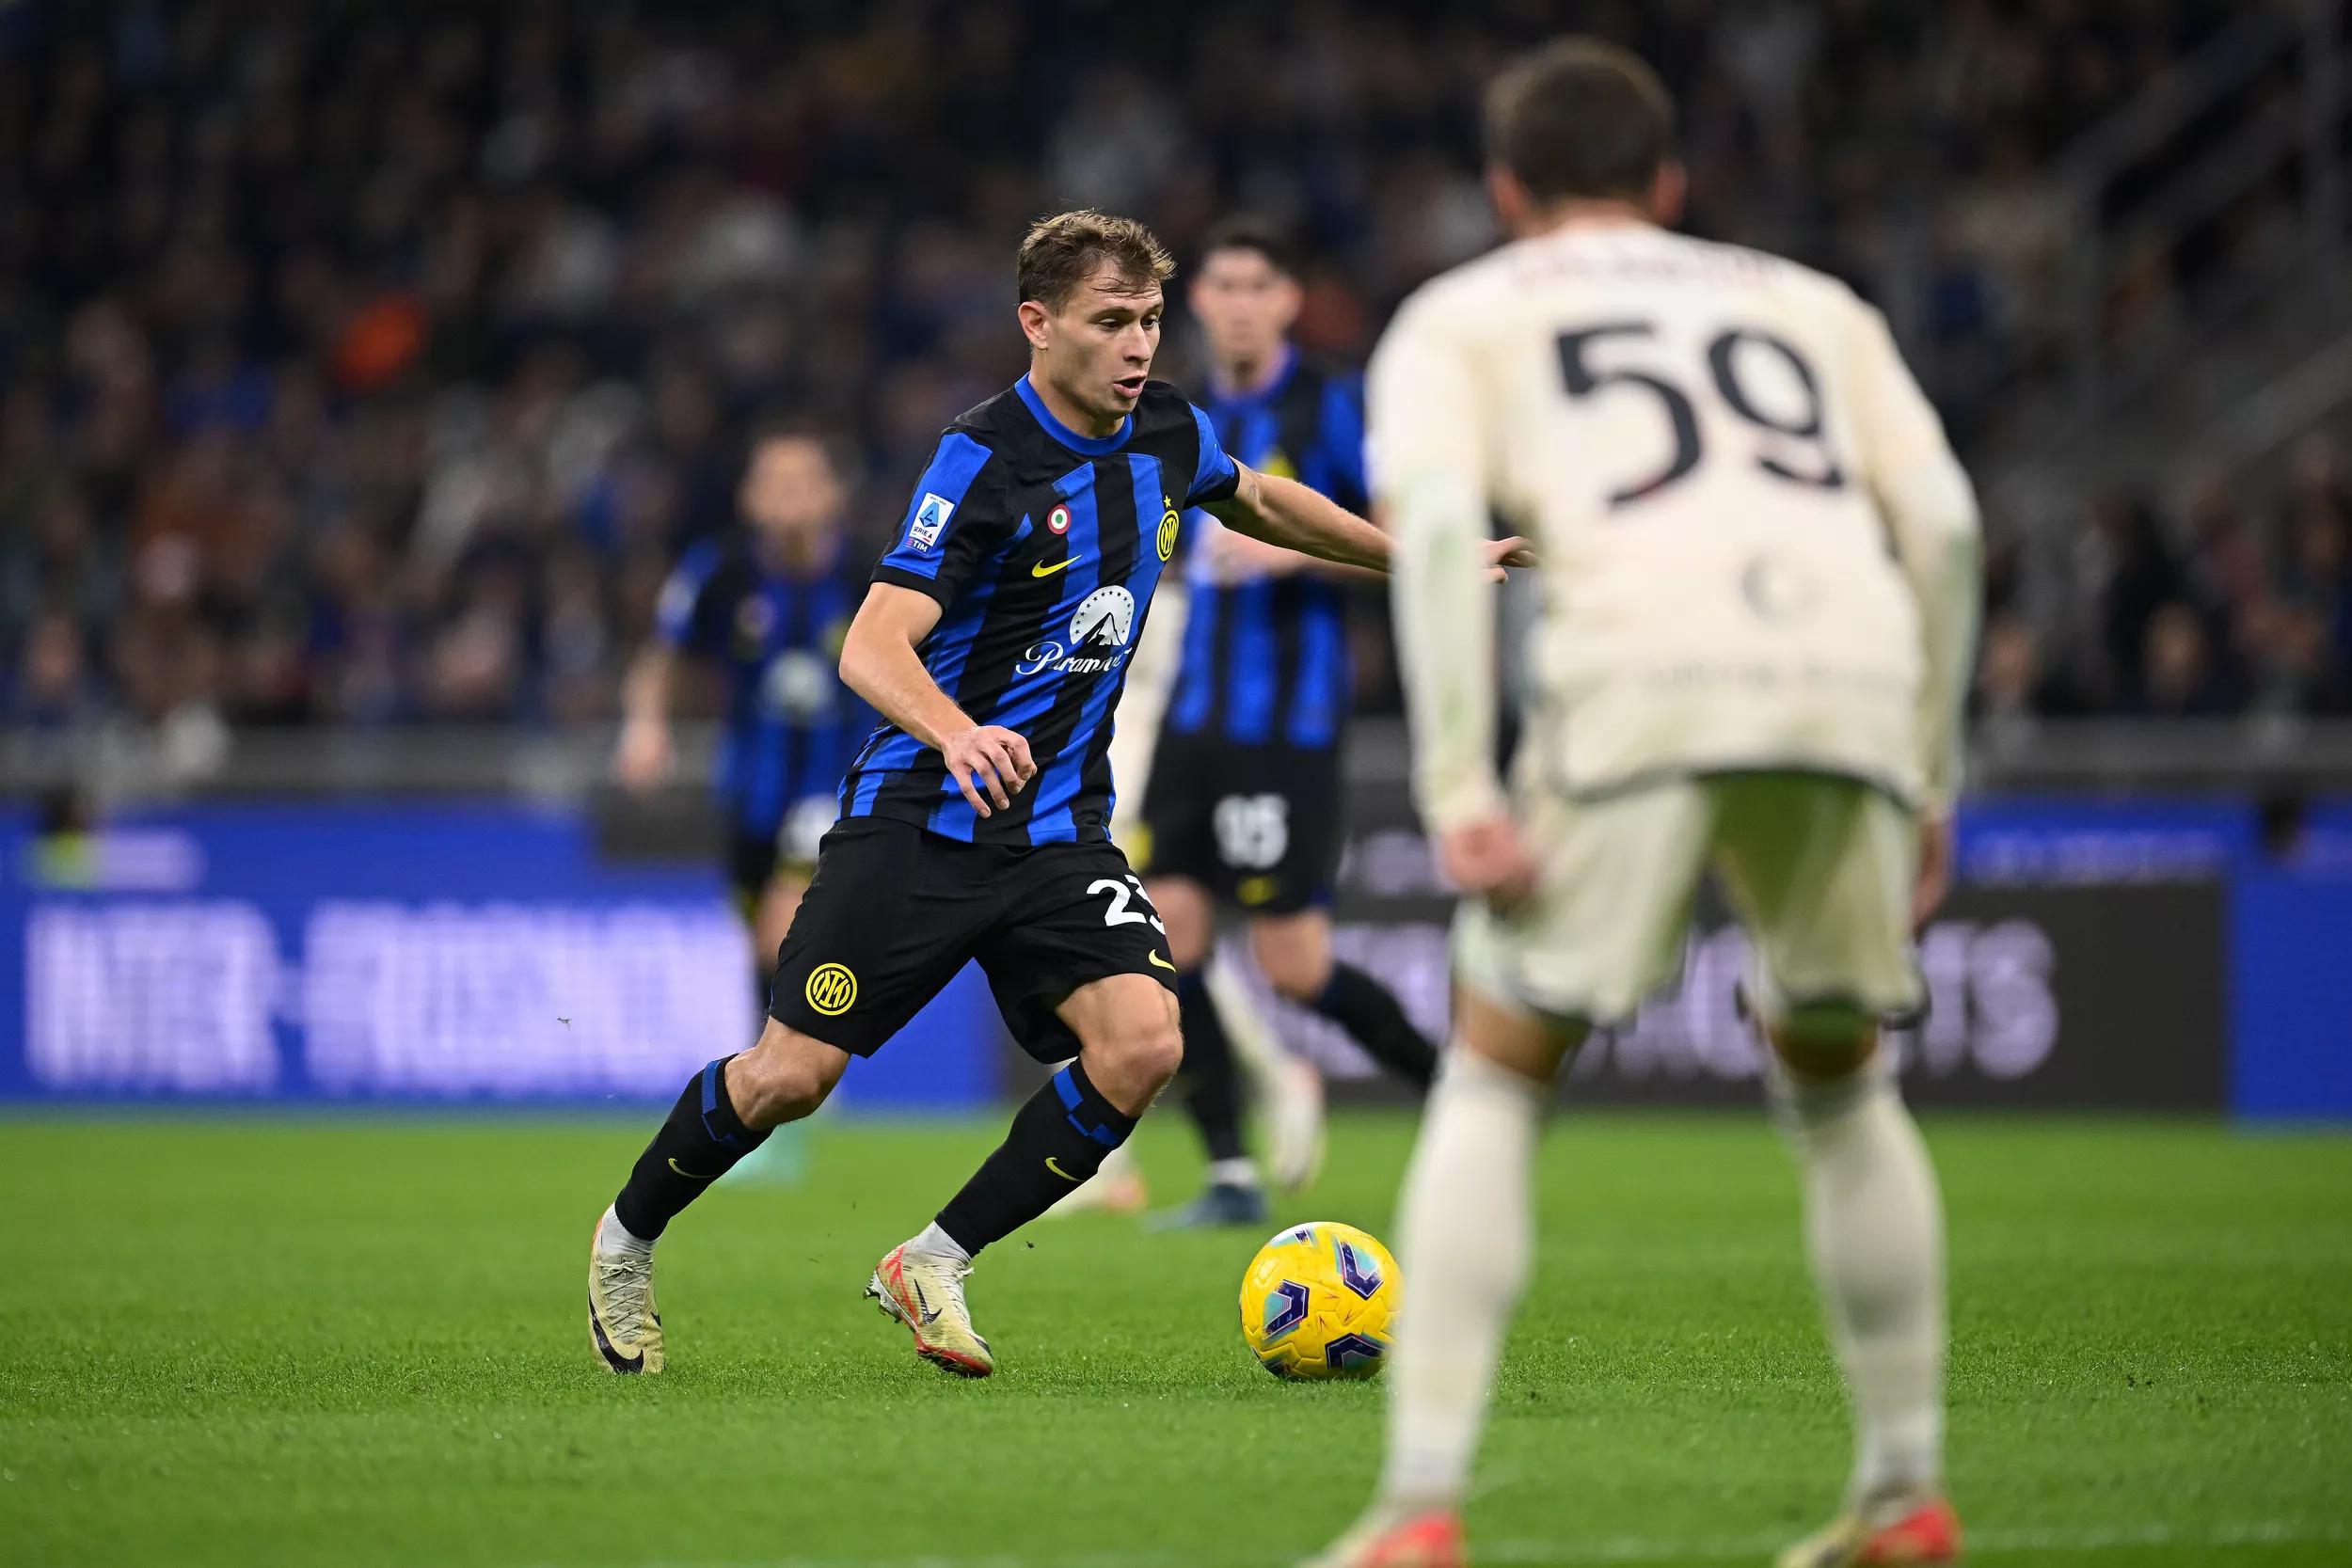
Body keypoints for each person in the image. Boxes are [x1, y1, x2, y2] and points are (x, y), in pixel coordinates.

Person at [585, 208, 1530, 1380]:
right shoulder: (980, 459)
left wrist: (1423, 556)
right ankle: (625, 1238)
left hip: (1054, 831)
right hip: (920, 819)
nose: (1138, 345)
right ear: (1037, 324)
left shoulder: (1168, 428)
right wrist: (956, 729)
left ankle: (932, 1259)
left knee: (1142, 1041)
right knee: (792, 1074)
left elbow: (1264, 499)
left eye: (1150, 319)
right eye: (1110, 321)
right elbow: (872, 645)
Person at [1311, 39, 1979, 1568]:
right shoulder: (1812, 303)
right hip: (1850, 676)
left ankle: (1419, 1508)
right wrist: (1932, 770)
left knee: (1499, 1069)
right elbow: (1943, 524)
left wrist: (1459, 780)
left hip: (1640, 678)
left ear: (1505, 190)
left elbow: (1434, 539)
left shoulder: (1462, 317)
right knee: (1842, 1082)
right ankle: (1906, 1487)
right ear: (1669, 182)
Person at [1138, 216, 1442, 1229]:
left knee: (1293, 965)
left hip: (1290, 726)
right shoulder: (1176, 412)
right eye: (1219, 286)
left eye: (1254, 286)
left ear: (1286, 302)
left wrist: (1285, 549)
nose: (1235, 304)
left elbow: (1397, 539)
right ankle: (1230, 1170)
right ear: (1198, 302)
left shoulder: (1331, 404)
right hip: (1191, 720)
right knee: (1168, 942)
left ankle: (1457, 1100)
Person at [616, 429, 868, 989]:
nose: (789, 496)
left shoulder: (872, 576)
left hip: (841, 791)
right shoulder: (719, 573)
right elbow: (661, 658)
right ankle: (786, 1043)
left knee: (788, 937)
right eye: (774, 483)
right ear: (748, 497)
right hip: (748, 795)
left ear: (833, 494)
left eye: (803, 482)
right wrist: (645, 728)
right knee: (764, 954)